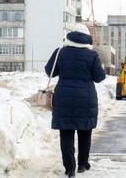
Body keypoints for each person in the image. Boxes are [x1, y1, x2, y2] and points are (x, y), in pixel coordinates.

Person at [45, 24, 105, 178]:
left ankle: (70, 169)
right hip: (86, 99)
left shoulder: (60, 52)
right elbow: (99, 78)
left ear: (70, 36)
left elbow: (49, 70)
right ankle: (82, 165)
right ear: (87, 38)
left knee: (66, 133)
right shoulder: (92, 55)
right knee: (85, 132)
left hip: (63, 97)